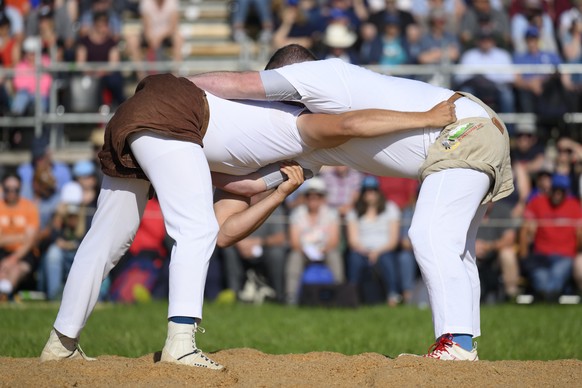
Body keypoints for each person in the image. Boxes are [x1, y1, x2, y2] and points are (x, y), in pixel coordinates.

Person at [39, 71, 455, 368]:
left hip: (137, 113)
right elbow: (350, 124)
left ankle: (61, 343)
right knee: (194, 228)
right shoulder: (299, 122)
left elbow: (235, 191)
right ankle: (180, 343)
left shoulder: (255, 128)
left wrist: (280, 190)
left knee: (107, 239)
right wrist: (426, 119)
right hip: (173, 113)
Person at [191, 43, 514, 361]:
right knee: (458, 249)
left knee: (430, 235)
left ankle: (455, 343)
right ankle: (464, 344)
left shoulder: (318, 75)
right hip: (477, 129)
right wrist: (197, 166)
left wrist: (174, 86)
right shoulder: (310, 135)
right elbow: (250, 184)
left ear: (286, 75)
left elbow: (239, 84)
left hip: (461, 129)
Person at [519, 174, 582, 302]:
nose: (557, 194)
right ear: (550, 189)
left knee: (557, 276)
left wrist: (576, 252)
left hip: (565, 256)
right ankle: (548, 297)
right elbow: (525, 229)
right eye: (555, 190)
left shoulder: (575, 206)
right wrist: (523, 253)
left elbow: (579, 234)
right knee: (542, 280)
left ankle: (549, 297)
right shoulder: (537, 202)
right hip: (541, 256)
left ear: (566, 192)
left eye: (561, 191)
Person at [285, 177, 344, 305]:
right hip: (303, 251)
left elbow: (334, 240)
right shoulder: (297, 214)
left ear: (322, 198)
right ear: (305, 198)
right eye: (309, 196)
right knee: (294, 257)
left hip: (325, 250)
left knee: (334, 255)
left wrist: (322, 250)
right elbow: (294, 242)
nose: (313, 200)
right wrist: (307, 251)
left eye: (317, 196)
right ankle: (291, 296)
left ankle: (338, 292)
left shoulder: (331, 214)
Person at [345, 175, 402, 306]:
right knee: (354, 259)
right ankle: (352, 295)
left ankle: (393, 295)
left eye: (373, 190)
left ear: (378, 191)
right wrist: (367, 251)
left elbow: (393, 241)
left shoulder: (390, 209)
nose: (370, 193)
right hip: (361, 250)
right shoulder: (354, 213)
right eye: (367, 190)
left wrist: (376, 252)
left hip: (384, 249)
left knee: (387, 259)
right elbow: (353, 241)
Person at [0, 172, 40, 300]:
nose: (11, 193)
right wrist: (21, 236)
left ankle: (4, 295)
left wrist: (13, 258)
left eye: (15, 190)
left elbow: (30, 241)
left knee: (17, 269)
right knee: (3, 270)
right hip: (3, 252)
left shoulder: (29, 207)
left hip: (25, 254)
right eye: (7, 189)